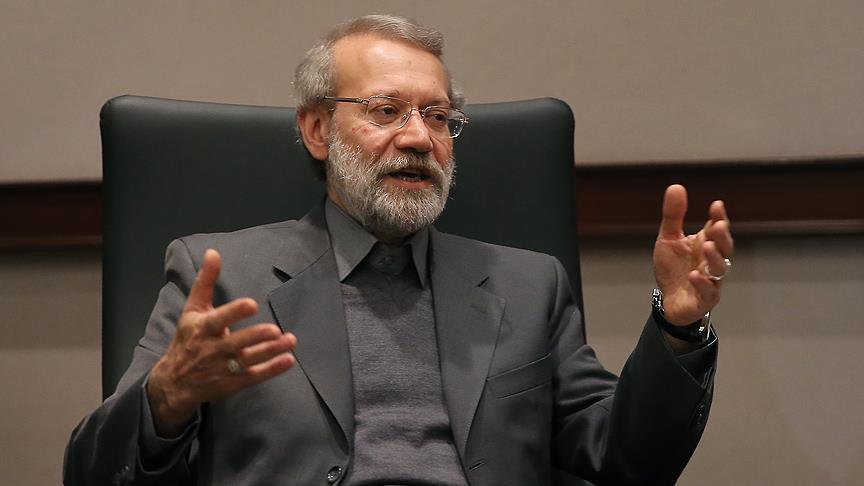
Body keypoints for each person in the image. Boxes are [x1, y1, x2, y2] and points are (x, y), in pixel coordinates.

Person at [64, 14, 734, 486]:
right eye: (387, 111)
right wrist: (167, 397)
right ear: (318, 130)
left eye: (438, 117)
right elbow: (93, 474)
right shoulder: (221, 278)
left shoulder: (528, 286)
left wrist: (677, 327)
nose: (419, 138)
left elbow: (627, 460)